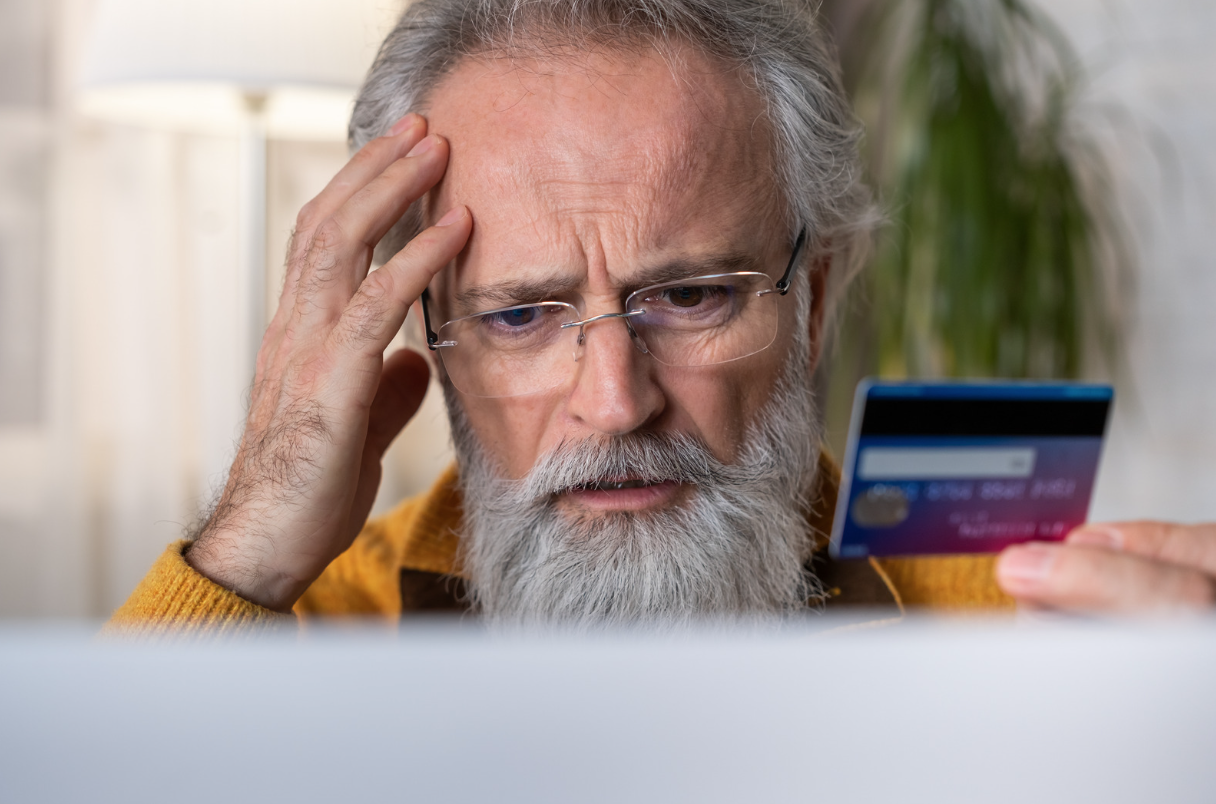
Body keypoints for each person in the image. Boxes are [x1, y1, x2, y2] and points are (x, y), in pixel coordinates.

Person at [109, 0, 1213, 635]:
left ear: (814, 299)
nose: (615, 401)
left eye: (690, 295)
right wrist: (244, 556)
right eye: (519, 317)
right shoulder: (293, 630)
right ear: (422, 334)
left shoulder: (1018, 630)